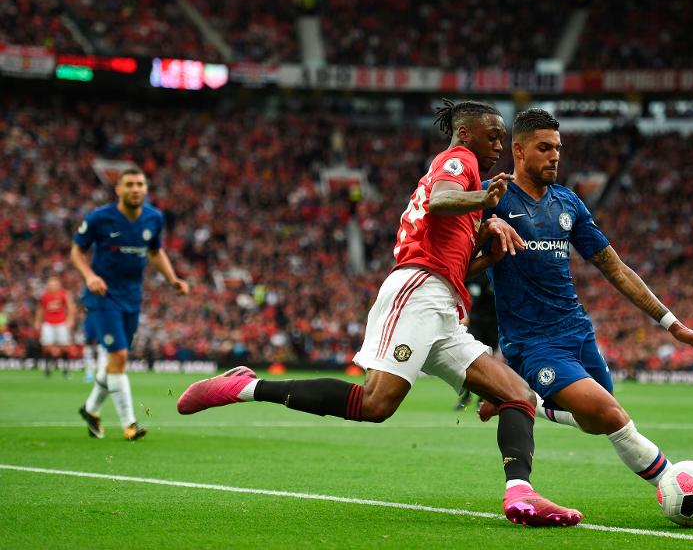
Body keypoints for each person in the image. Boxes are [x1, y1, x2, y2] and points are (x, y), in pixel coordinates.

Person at [178, 100, 583, 528]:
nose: (499, 145)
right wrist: (484, 199)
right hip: (418, 292)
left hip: (442, 304)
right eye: (494, 136)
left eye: (502, 138)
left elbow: (454, 264)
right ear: (466, 134)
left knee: (516, 394)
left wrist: (487, 251)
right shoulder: (458, 160)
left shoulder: (467, 193)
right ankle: (245, 387)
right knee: (375, 403)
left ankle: (520, 494)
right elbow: (439, 201)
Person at [477, 108, 693, 522]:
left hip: (577, 333)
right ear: (518, 151)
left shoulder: (568, 203)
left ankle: (522, 398)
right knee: (613, 416)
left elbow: (615, 268)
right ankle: (679, 485)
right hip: (532, 343)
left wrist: (673, 324)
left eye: (558, 148)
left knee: (596, 420)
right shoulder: (492, 197)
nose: (554, 156)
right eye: (544, 148)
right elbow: (455, 250)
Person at [72, 168, 190, 440]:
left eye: (140, 184)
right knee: (120, 357)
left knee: (116, 360)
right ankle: (130, 424)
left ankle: (90, 409)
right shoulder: (100, 218)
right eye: (130, 184)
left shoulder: (154, 218)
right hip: (103, 295)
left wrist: (172, 279)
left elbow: (155, 252)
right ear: (119, 189)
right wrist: (89, 276)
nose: (135, 189)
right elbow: (76, 251)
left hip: (132, 298)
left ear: (146, 189)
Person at [453, 275, 499, 411]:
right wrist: (462, 314)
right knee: (470, 358)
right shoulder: (474, 274)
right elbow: (460, 290)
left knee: (489, 361)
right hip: (475, 322)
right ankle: (466, 395)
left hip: (493, 324)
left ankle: (483, 398)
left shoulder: (495, 274)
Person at [34, 276, 76, 377]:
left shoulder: (63, 294)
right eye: (50, 285)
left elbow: (71, 307)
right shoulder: (44, 296)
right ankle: (47, 369)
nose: (52, 286)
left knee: (64, 346)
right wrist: (37, 321)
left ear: (59, 285)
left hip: (61, 323)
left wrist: (70, 319)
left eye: (54, 284)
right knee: (47, 346)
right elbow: (40, 309)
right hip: (48, 323)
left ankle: (66, 369)